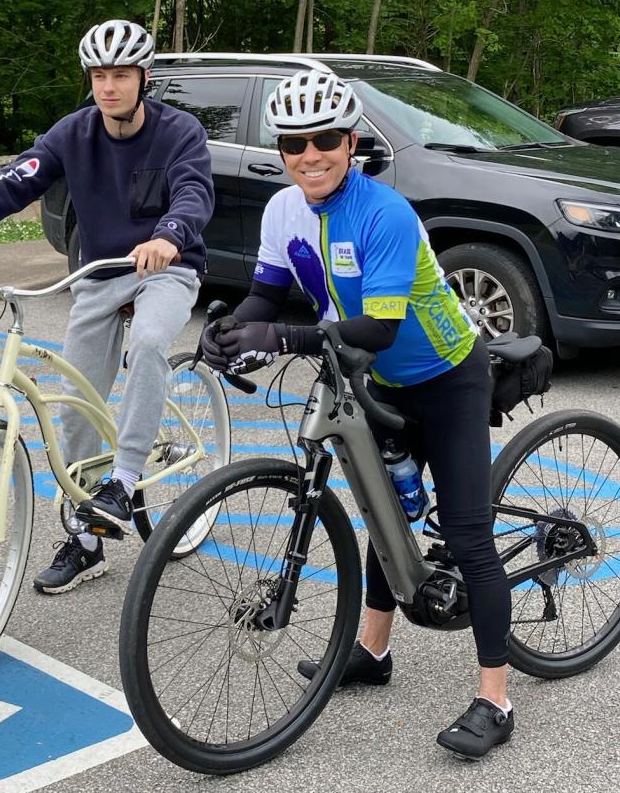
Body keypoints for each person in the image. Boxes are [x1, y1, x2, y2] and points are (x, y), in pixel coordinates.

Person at [200, 69, 513, 760]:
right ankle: (372, 651)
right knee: (381, 508)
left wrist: (280, 337)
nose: (310, 155)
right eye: (293, 143)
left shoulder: (385, 214)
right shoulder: (285, 210)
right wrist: (227, 330)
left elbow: (377, 328)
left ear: (352, 141)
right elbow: (265, 294)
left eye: (326, 139)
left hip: (444, 378)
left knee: (466, 535)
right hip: (373, 380)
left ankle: (496, 696)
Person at [0, 19, 214, 595]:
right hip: (98, 273)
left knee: (150, 340)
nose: (109, 86)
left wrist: (170, 234)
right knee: (77, 401)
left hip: (167, 266)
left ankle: (125, 481)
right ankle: (86, 539)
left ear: (143, 78)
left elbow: (194, 192)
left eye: (121, 75)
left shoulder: (180, 132)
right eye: (99, 75)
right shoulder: (72, 134)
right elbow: (13, 181)